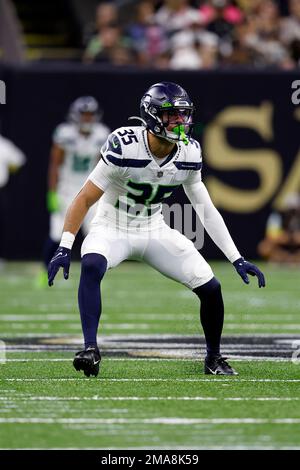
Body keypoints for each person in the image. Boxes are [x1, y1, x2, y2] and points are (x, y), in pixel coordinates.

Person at [47, 81, 265, 378]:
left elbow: (206, 208)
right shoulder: (124, 144)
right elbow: (85, 198)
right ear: (151, 115)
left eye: (183, 114)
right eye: (172, 115)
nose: (180, 121)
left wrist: (235, 257)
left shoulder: (189, 152)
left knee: (211, 287)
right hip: (112, 225)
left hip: (153, 228)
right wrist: (65, 246)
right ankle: (90, 349)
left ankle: (214, 358)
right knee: (92, 263)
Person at [39, 96, 110, 285]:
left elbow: (103, 166)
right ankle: (44, 272)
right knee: (57, 233)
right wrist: (52, 192)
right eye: (84, 114)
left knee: (96, 234)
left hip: (91, 189)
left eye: (90, 115)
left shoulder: (102, 134)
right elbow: (55, 164)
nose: (87, 118)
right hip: (67, 190)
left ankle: (95, 275)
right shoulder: (64, 133)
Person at [0, 132, 26, 263]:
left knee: (1, 224)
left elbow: (19, 159)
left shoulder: (3, 144)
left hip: (1, 189)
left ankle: (1, 256)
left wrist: (9, 169)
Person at [258, 193, 300, 263]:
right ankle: (284, 258)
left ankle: (293, 259)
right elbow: (271, 236)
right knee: (264, 247)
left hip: (296, 248)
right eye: (291, 209)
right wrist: (289, 237)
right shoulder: (277, 216)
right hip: (282, 247)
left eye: (295, 209)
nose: (293, 212)